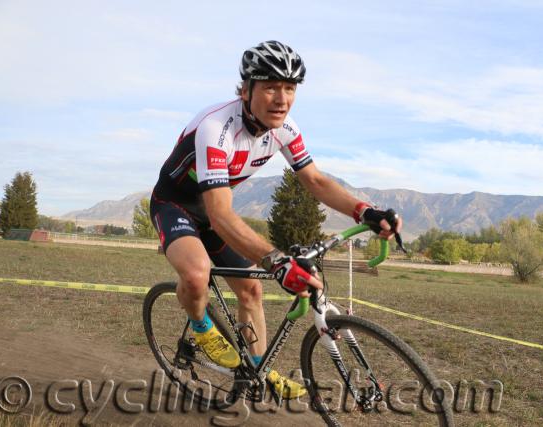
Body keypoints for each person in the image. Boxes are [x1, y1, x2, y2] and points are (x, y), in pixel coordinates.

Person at [150, 40, 403, 399]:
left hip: (212, 211)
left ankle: (257, 370)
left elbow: (315, 180)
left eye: (289, 88)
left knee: (251, 289)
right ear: (246, 90)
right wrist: (277, 261)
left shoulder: (285, 129)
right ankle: (202, 326)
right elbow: (221, 214)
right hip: (174, 206)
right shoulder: (215, 128)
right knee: (195, 274)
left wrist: (365, 211)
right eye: (270, 87)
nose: (281, 98)